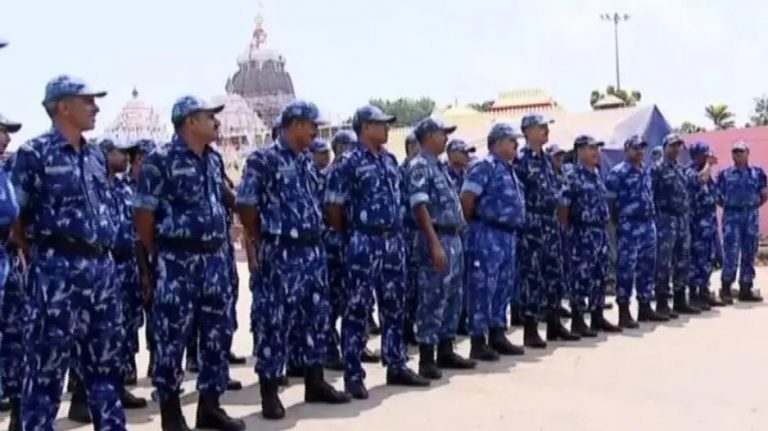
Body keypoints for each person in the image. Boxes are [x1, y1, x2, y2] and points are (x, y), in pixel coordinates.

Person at [12, 75, 124, 430]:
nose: (96, 107)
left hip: (100, 271)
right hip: (56, 271)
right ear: (62, 106)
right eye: (87, 100)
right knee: (45, 370)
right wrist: (38, 255)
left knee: (106, 367)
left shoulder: (94, 155)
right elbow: (16, 214)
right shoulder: (34, 153)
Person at [134, 95, 244, 430]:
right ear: (190, 122)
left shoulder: (212, 160)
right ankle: (171, 413)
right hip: (178, 260)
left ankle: (209, 407)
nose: (217, 122)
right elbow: (143, 217)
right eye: (210, 116)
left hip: (214, 260)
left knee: (217, 335)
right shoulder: (160, 160)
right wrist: (163, 255)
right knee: (172, 338)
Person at [237, 100, 351, 420]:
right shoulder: (263, 159)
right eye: (312, 124)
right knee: (275, 322)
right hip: (281, 251)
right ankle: (270, 392)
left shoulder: (305, 161)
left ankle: (314, 382)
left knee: (315, 318)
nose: (316, 130)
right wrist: (263, 237)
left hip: (312, 252)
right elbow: (246, 205)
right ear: (296, 123)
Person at [325, 105, 429, 400]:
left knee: (394, 305)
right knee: (357, 309)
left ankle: (396, 363)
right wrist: (354, 235)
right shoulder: (348, 162)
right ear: (365, 127)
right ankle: (353, 374)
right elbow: (333, 208)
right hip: (364, 241)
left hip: (393, 242)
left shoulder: (389, 159)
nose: (386, 129)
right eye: (381, 124)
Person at [406, 118, 476, 379]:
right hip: (435, 237)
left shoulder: (441, 168)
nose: (446, 138)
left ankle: (446, 349)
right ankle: (426, 357)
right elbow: (419, 206)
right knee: (432, 297)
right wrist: (434, 242)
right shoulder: (420, 166)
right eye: (442, 134)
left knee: (453, 296)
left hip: (452, 236)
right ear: (428, 136)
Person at [460, 123, 526, 360]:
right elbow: (467, 199)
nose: (516, 144)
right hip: (486, 233)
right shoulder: (483, 166)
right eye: (511, 140)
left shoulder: (508, 169)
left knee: (503, 286)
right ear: (497, 143)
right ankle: (478, 340)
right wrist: (473, 228)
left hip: (507, 235)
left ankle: (497, 334)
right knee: (482, 288)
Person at [515, 114, 579, 347]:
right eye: (541, 127)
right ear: (527, 131)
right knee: (532, 276)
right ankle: (531, 329)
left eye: (546, 127)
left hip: (550, 224)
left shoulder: (546, 160)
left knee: (553, 273)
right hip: (531, 224)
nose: (545, 131)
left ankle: (554, 324)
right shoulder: (520, 160)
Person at [559, 135, 621, 336]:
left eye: (597, 148)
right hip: (581, 232)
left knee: (599, 275)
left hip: (599, 231)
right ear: (580, 151)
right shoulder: (572, 175)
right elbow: (563, 206)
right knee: (580, 277)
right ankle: (578, 320)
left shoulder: (596, 174)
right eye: (591, 148)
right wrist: (568, 230)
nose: (596, 152)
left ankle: (597, 316)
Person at [605, 135, 658, 328]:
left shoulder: (646, 170)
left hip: (647, 224)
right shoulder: (617, 173)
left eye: (642, 148)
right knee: (626, 268)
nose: (640, 151)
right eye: (636, 148)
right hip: (629, 225)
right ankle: (624, 310)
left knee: (647, 266)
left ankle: (644, 306)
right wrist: (618, 223)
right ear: (627, 150)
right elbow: (610, 203)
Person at [651, 133, 699, 317]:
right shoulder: (657, 169)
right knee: (663, 263)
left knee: (682, 260)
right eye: (672, 146)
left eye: (678, 146)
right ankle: (662, 303)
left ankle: (680, 300)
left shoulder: (680, 169)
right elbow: (651, 195)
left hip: (682, 220)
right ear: (664, 147)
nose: (676, 149)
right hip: (665, 220)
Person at [323, 129, 359, 371]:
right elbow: (331, 210)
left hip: (349, 245)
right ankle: (329, 349)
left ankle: (350, 347)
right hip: (332, 245)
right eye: (347, 146)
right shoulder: (331, 173)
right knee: (331, 302)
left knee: (351, 300)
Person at [716, 140, 767, 303]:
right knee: (731, 252)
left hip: (750, 216)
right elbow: (717, 196)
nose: (738, 154)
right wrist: (732, 206)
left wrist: (752, 206)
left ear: (748, 153)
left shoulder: (757, 173)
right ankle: (726, 288)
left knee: (749, 251)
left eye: (741, 151)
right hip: (732, 217)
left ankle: (746, 287)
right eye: (735, 151)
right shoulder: (725, 174)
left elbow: (764, 193)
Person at [0, 112, 22, 428]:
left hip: (6, 259)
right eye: (1, 131)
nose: (6, 138)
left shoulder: (5, 171)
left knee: (15, 338)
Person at [686, 142, 726, 308]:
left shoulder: (709, 176)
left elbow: (718, 198)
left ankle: (704, 291)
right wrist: (709, 164)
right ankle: (695, 295)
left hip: (709, 225)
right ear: (697, 155)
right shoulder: (690, 171)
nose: (709, 156)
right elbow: (699, 180)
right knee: (696, 260)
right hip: (696, 226)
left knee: (708, 260)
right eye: (706, 154)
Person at [444, 139, 476, 334]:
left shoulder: (468, 175)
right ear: (452, 154)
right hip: (448, 236)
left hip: (466, 233)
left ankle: (462, 319)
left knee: (465, 280)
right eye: (463, 152)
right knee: (448, 283)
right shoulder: (444, 174)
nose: (467, 156)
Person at [400, 132, 420, 345]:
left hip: (420, 233)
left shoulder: (421, 170)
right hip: (406, 234)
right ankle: (406, 328)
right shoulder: (402, 172)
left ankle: (412, 324)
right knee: (407, 286)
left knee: (418, 286)